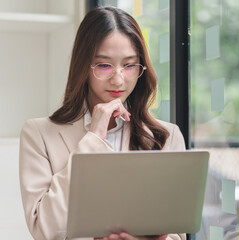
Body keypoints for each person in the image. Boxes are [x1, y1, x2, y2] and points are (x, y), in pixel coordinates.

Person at [19, 6, 186, 240]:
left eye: (129, 65)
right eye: (104, 65)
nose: (118, 79)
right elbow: (45, 230)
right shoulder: (39, 134)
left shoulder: (166, 135)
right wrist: (93, 140)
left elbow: (177, 235)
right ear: (82, 67)